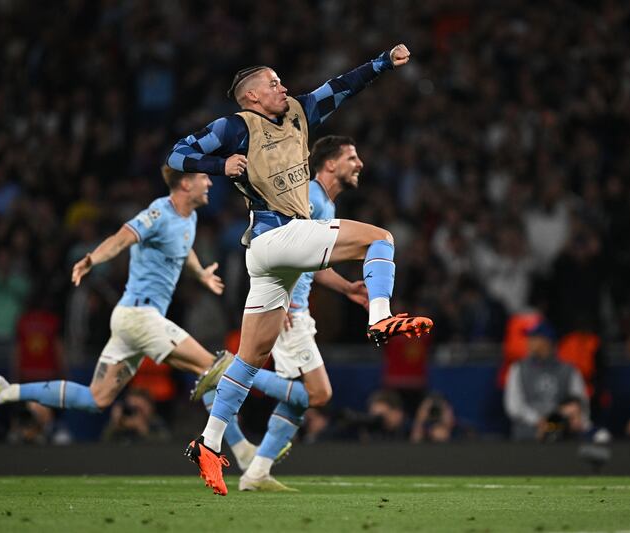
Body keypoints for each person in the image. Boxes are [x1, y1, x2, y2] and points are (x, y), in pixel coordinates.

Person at [167, 43, 434, 495]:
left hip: (269, 255)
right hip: (276, 235)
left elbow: (341, 88)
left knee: (251, 358)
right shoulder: (233, 126)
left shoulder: (297, 112)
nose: (282, 87)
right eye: (273, 83)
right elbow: (177, 156)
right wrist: (218, 163)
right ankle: (380, 317)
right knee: (380, 238)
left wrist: (383, 62)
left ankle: (208, 443)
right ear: (251, 96)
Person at [0, 166, 258, 468]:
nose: (209, 182)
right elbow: (120, 239)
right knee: (216, 368)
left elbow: (184, 248)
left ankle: (5, 391)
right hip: (142, 317)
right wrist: (91, 259)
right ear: (185, 184)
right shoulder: (158, 212)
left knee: (96, 398)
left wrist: (200, 273)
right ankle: (242, 452)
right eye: (202, 178)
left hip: (131, 320)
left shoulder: (188, 219)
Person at [234, 135, 369, 491]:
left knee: (298, 402)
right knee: (320, 394)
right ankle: (224, 371)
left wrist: (347, 289)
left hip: (296, 305)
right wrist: (285, 299)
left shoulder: (323, 204)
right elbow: (281, 244)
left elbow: (312, 262)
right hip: (289, 308)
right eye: (352, 157)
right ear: (330, 164)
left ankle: (257, 472)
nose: (359, 164)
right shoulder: (309, 197)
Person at [504, 320, 590, 441]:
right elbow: (514, 407)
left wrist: (552, 423)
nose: (528, 342)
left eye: (534, 338)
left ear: (547, 341)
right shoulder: (518, 368)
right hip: (527, 434)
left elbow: (580, 405)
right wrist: (538, 420)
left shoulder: (569, 370)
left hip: (559, 433)